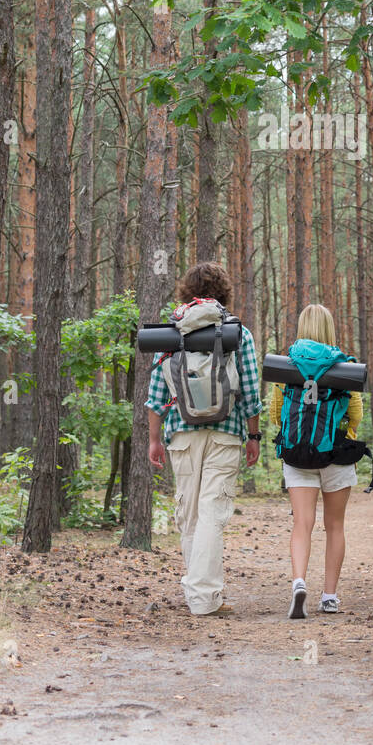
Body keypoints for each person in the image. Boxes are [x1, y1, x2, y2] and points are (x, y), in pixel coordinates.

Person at [147, 262, 263, 617]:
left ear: (186, 290)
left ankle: (200, 595)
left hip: (181, 433)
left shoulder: (171, 331)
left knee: (190, 514)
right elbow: (250, 390)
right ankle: (203, 597)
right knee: (213, 512)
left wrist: (154, 440)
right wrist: (253, 435)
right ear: (224, 292)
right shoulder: (236, 333)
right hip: (226, 432)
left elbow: (155, 395)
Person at [268, 303, 363, 619]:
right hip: (335, 455)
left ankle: (298, 583)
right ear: (329, 328)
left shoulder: (286, 366)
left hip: (297, 457)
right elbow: (356, 414)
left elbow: (274, 414)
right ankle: (330, 596)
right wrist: (340, 430)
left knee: (302, 524)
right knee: (334, 525)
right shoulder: (343, 366)